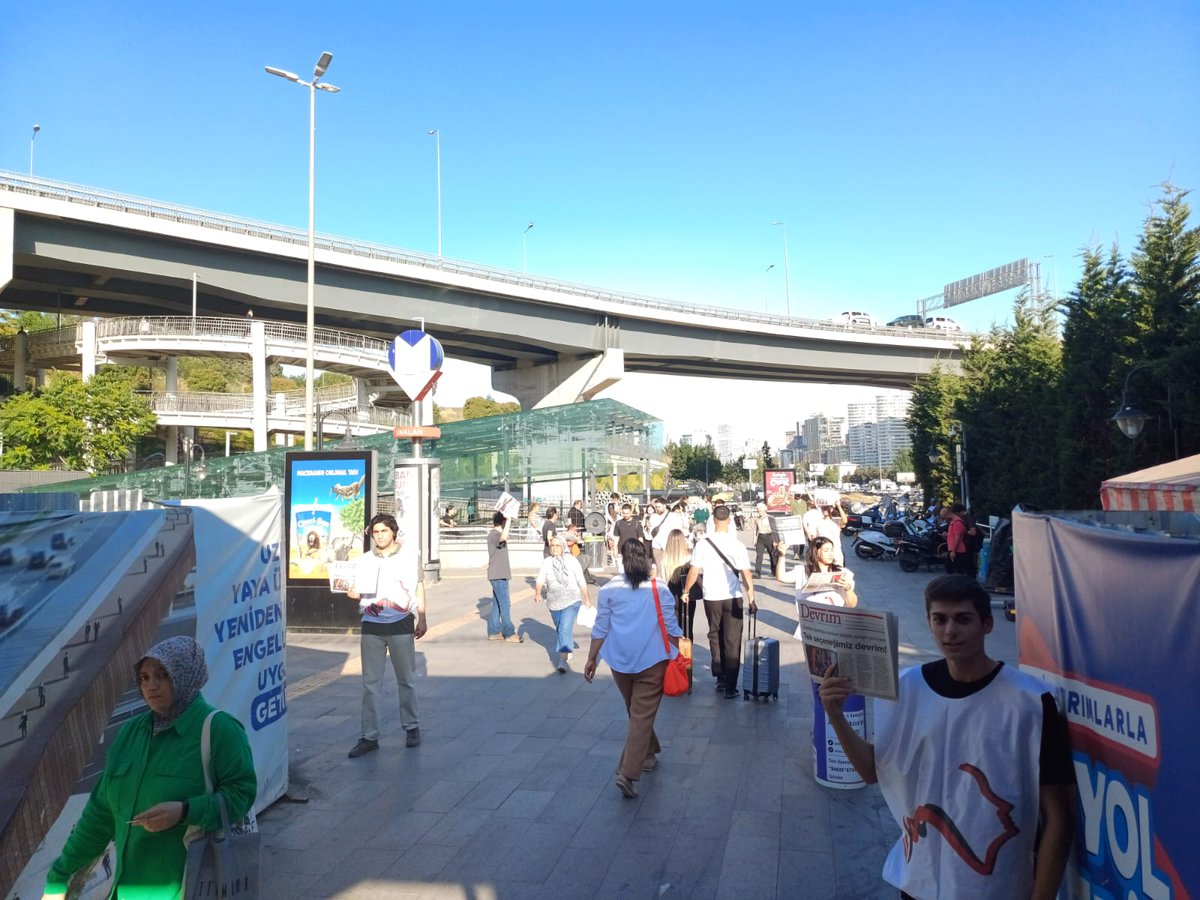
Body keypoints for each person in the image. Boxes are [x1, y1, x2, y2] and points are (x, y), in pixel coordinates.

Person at [819, 575, 1074, 899]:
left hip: (997, 887)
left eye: (963, 619)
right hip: (919, 882)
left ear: (987, 624)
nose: (950, 631)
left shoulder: (1032, 703)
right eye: (940, 619)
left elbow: (1058, 816)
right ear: (928, 622)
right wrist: (836, 715)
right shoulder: (906, 689)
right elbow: (872, 770)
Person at [44, 636, 256, 898]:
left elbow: (241, 795)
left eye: (162, 675)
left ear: (185, 675)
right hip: (126, 891)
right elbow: (99, 815)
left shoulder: (219, 730)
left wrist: (185, 811)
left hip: (189, 887)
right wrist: (59, 878)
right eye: (144, 677)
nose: (151, 686)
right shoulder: (130, 734)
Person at [584, 539, 682, 799]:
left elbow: (601, 627)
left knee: (635, 711)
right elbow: (671, 627)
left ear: (620, 558)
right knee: (640, 715)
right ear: (647, 558)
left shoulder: (609, 590)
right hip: (654, 661)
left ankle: (647, 756)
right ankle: (628, 773)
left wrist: (592, 658)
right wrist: (681, 652)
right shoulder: (658, 588)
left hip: (620, 662)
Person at [346, 514, 427, 757]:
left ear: (393, 532)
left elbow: (419, 586)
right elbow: (354, 589)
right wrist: (352, 592)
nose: (379, 535)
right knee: (370, 683)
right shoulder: (364, 561)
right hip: (372, 624)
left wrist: (422, 616)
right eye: (375, 532)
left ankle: (412, 727)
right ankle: (369, 735)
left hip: (400, 623)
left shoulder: (410, 556)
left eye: (383, 531)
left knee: (406, 679)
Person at [681, 504, 756, 698]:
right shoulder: (737, 545)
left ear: (713, 522)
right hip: (733, 598)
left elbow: (694, 570)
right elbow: (746, 574)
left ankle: (720, 676)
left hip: (711, 597)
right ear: (729, 520)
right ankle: (731, 686)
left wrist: (686, 590)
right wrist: (752, 598)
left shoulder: (703, 544)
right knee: (732, 641)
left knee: (714, 634)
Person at [535, 535, 591, 672]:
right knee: (560, 629)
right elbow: (541, 578)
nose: (554, 548)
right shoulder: (547, 562)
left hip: (572, 600)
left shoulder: (572, 561)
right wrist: (537, 592)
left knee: (565, 628)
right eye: (552, 546)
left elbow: (581, 580)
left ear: (563, 547)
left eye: (557, 545)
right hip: (553, 602)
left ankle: (562, 660)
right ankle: (567, 646)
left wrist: (587, 598)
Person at [660, 529, 703, 650]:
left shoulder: (665, 559)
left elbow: (663, 581)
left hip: (671, 595)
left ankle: (675, 657)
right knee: (688, 627)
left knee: (672, 628)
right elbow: (697, 576)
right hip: (687, 595)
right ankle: (687, 658)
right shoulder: (689, 556)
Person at [486, 510, 521, 642]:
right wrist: (509, 520)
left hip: (498, 574)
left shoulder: (494, 534)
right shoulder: (494, 534)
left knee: (497, 604)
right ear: (502, 522)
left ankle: (494, 631)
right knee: (505, 604)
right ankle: (509, 632)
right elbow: (503, 538)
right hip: (498, 576)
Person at [945, 502, 976, 576]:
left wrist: (962, 531)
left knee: (968, 566)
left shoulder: (968, 518)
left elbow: (973, 532)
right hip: (963, 543)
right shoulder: (961, 519)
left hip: (968, 544)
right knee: (962, 566)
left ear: (959, 512)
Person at [750, 502, 779, 578]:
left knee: (772, 555)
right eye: (758, 511)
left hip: (769, 536)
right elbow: (755, 530)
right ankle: (757, 572)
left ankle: (774, 571)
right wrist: (754, 540)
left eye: (761, 510)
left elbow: (775, 530)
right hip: (760, 537)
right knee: (759, 555)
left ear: (764, 510)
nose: (760, 512)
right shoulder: (757, 519)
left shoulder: (770, 518)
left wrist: (775, 541)